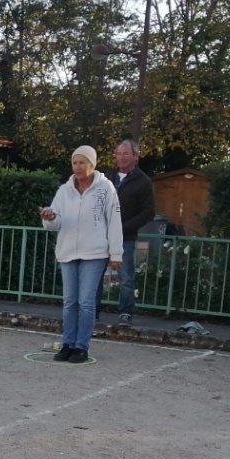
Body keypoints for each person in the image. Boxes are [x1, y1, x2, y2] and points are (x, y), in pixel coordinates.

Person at [40, 146, 123, 363]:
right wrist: (48, 217)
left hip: (95, 252)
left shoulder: (106, 189)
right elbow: (55, 223)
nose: (77, 167)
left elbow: (114, 221)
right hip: (68, 251)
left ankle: (81, 347)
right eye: (74, 163)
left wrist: (116, 254)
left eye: (82, 162)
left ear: (92, 164)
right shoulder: (63, 191)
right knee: (69, 301)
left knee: (86, 302)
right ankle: (67, 343)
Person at [99, 139, 156, 326]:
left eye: (126, 154)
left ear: (135, 157)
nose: (122, 157)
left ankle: (126, 312)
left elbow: (148, 212)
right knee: (95, 275)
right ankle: (92, 311)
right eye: (119, 153)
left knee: (126, 277)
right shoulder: (106, 177)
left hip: (125, 237)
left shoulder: (144, 181)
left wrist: (124, 227)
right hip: (101, 236)